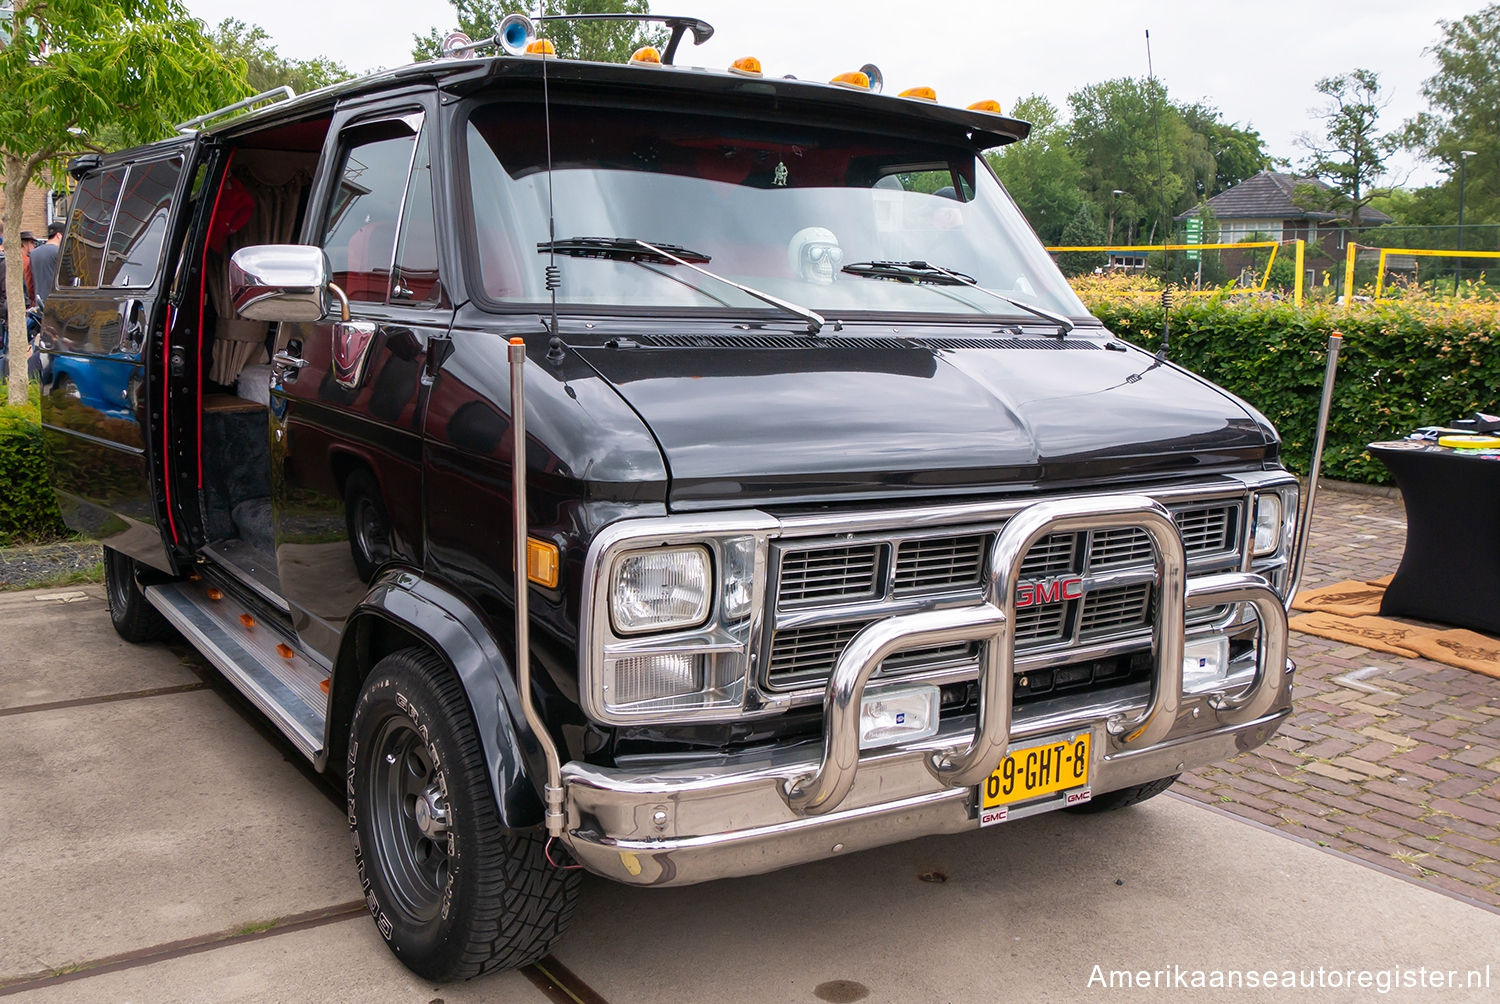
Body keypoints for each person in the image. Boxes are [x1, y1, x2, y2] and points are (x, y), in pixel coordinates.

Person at [30, 222, 61, 310]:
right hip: (56, 303)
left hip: (39, 303)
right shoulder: (60, 252)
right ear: (59, 235)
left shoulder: (33, 253)